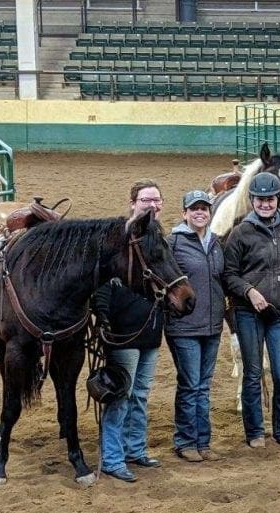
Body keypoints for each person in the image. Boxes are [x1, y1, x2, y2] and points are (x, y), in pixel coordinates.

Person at [223, 171, 280, 450]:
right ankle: (255, 432)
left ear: (278, 200)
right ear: (252, 200)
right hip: (248, 313)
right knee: (252, 373)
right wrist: (250, 292)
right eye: (260, 199)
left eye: (270, 199)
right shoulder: (239, 233)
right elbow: (229, 274)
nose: (265, 204)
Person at [92, 179, 166, 483]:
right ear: (133, 203)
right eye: (146, 200)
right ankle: (112, 457)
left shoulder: (159, 238)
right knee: (120, 395)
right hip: (123, 333)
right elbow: (99, 286)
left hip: (150, 329)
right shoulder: (117, 239)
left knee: (141, 395)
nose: (152, 205)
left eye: (157, 200)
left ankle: (135, 449)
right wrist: (104, 320)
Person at [165, 189, 226, 463]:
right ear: (184, 213)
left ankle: (203, 442)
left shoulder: (216, 243)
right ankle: (185, 441)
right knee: (190, 385)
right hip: (184, 326)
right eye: (194, 209)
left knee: (203, 386)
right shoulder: (173, 243)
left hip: (212, 325)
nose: (200, 213)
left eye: (204, 208)